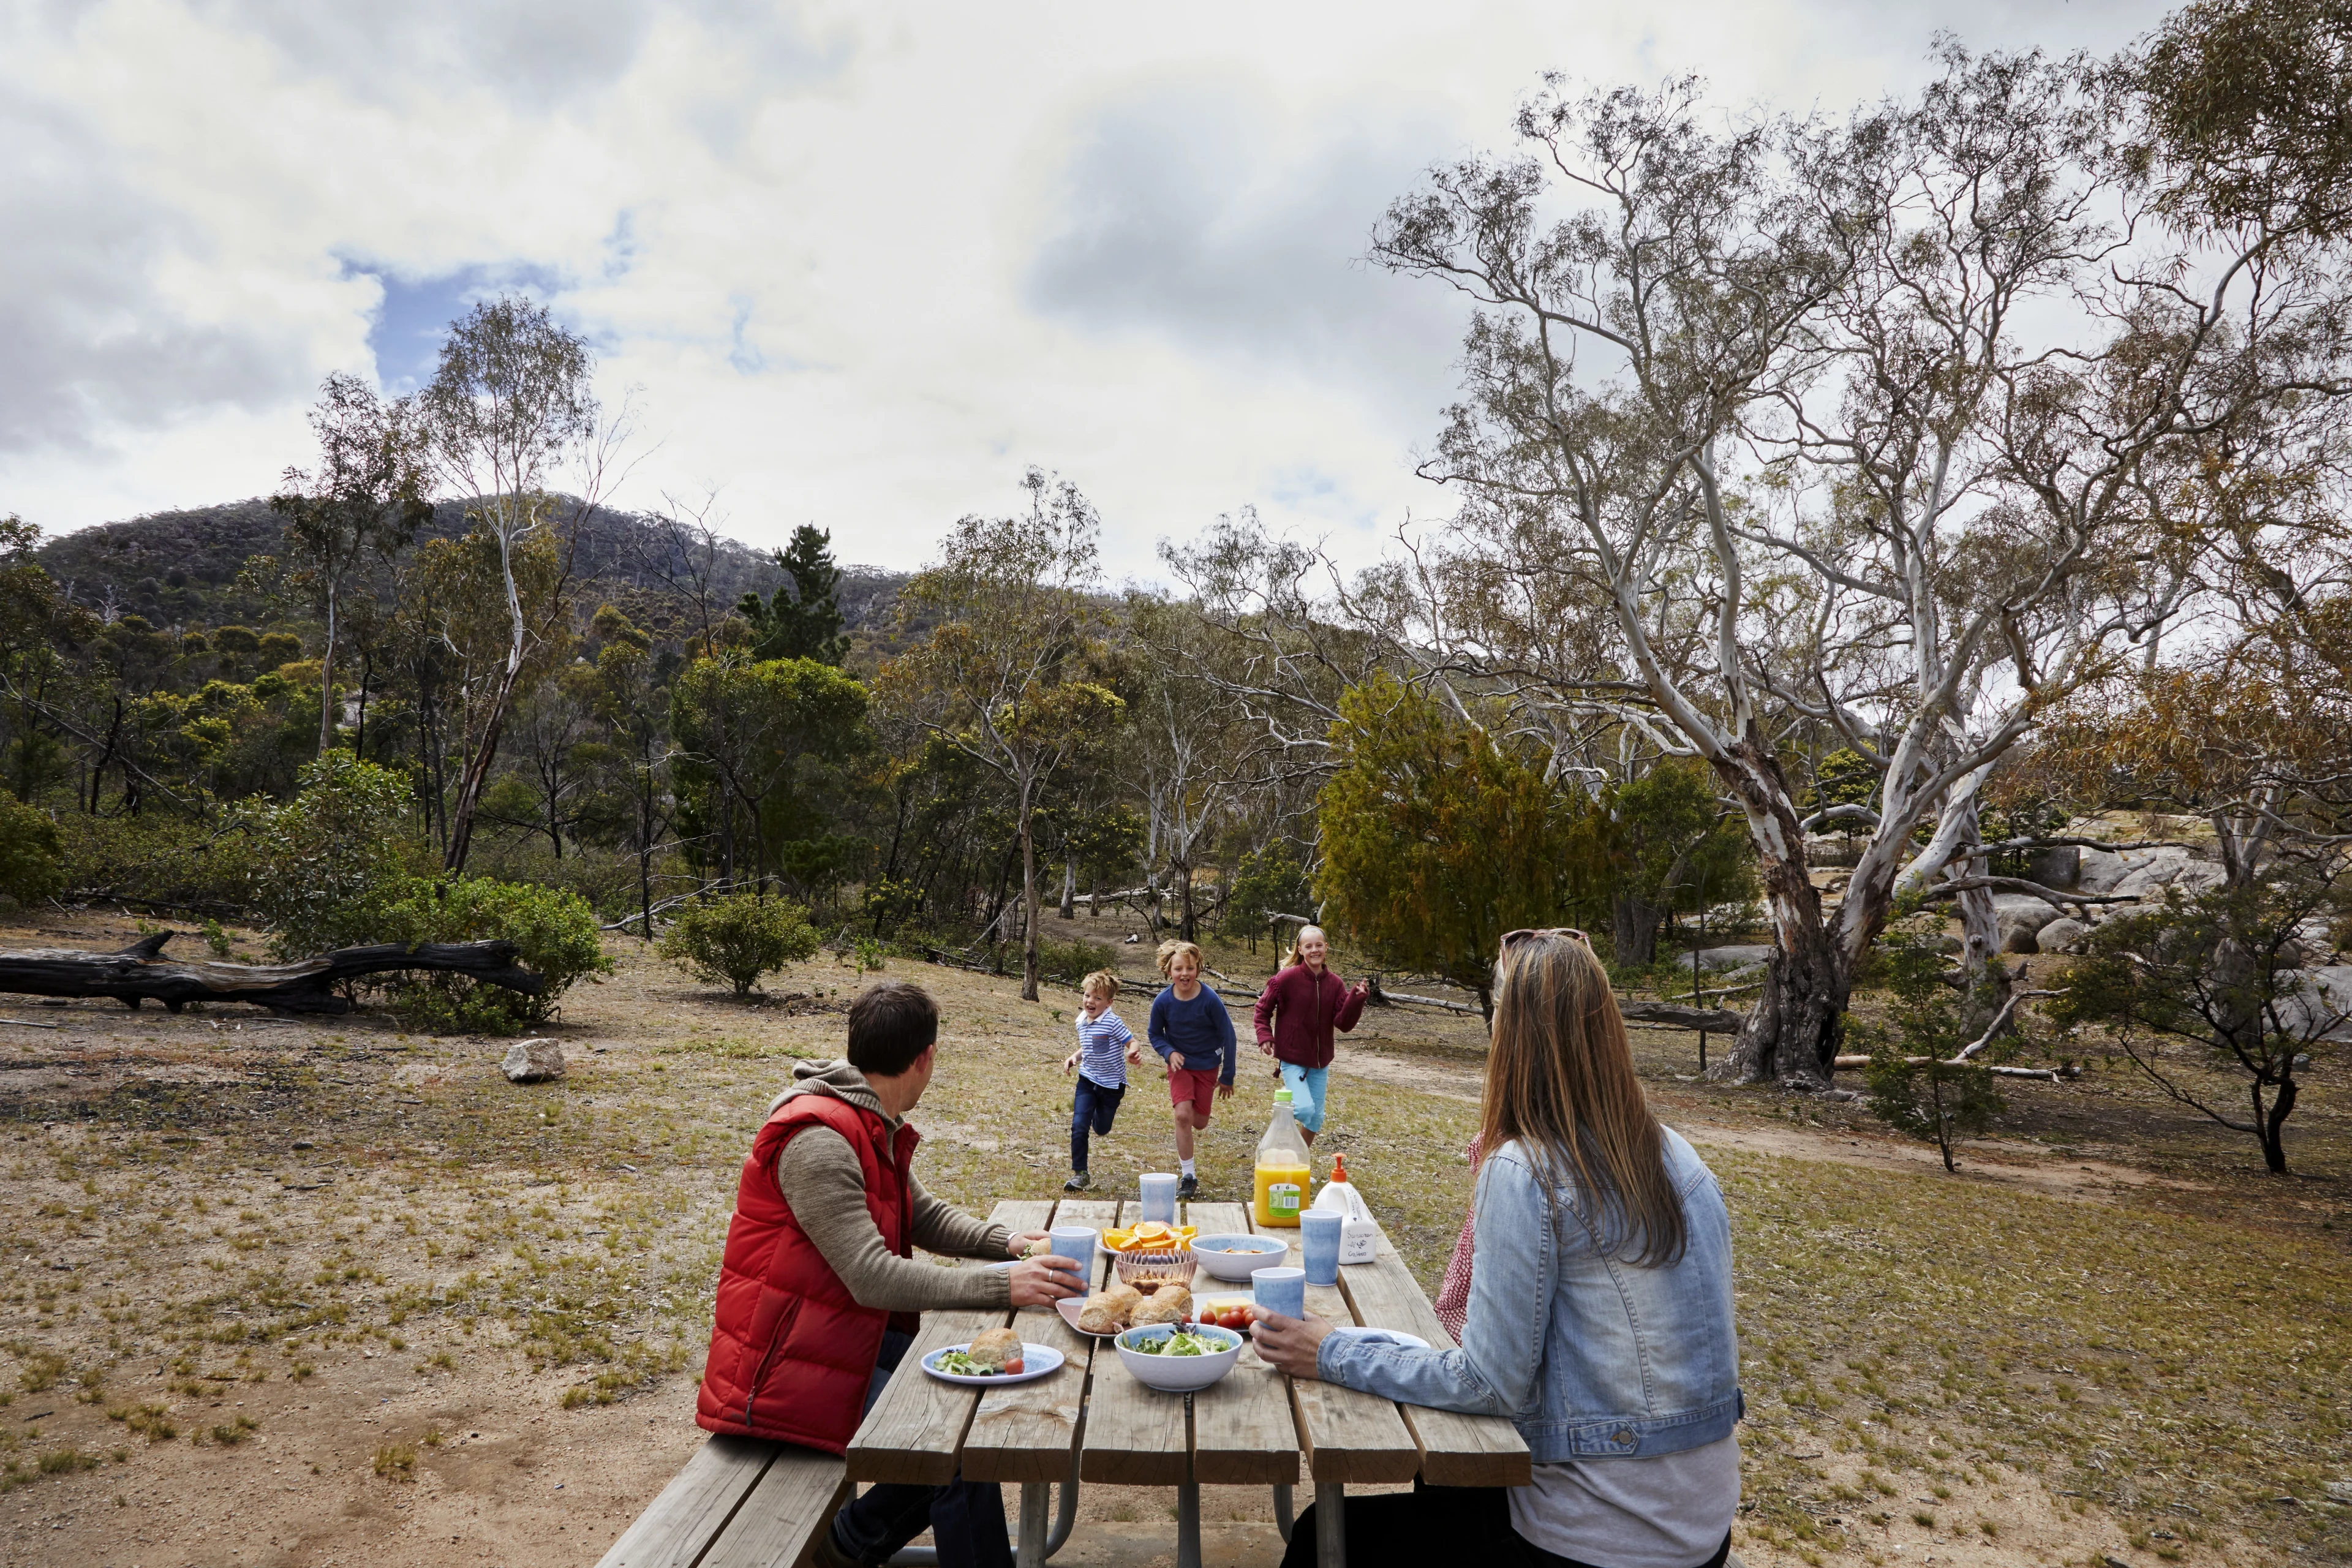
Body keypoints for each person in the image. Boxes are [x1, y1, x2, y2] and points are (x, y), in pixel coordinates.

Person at [1250, 929, 1742, 1568]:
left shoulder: (1526, 1167)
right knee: (1439, 1485)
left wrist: (1332, 1349)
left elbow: (1488, 1385)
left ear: (1509, 1034)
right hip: (1704, 1528)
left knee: (1325, 1537)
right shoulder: (1679, 1153)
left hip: (1599, 1534)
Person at [696, 979, 1087, 1568]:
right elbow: (871, 1276)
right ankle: (855, 1547)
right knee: (955, 1448)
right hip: (781, 1378)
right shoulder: (819, 1140)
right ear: (925, 1057)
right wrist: (1005, 1284)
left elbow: (919, 1212)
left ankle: (848, 1547)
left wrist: (1007, 1242)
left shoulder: (866, 1117)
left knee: (968, 1408)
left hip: (840, 1345)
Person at [1250, 924, 1369, 1145]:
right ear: (1300, 950)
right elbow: (1262, 1010)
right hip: (1293, 1059)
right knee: (1304, 1109)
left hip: (1320, 1063)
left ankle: (1297, 1163)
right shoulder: (1285, 979)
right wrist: (1265, 1036)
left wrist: (1356, 999)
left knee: (1315, 1120)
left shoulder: (1335, 984)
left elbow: (1343, 1023)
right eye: (1309, 946)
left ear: (1326, 948)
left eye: (1319, 945)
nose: (1314, 950)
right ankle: (1286, 1106)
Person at [1147, 938, 1237, 1200]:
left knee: (1200, 1122)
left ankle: (1196, 1109)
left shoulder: (1209, 999)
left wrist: (1228, 1075)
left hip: (1208, 1065)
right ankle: (1189, 1176)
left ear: (1198, 969)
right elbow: (1154, 1034)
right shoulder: (1163, 1001)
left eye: (1190, 968)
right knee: (1183, 1116)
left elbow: (1229, 1036)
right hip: (1180, 1065)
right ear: (1168, 971)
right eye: (1178, 969)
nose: (1184, 974)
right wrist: (1169, 1052)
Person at [1061, 967, 1141, 1192]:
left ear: (1109, 1002)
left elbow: (1132, 1042)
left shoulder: (1112, 1022)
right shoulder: (1081, 1021)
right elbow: (1089, 1048)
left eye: (1098, 998)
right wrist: (1073, 1058)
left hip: (1112, 1087)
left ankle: (1098, 1116)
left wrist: (1133, 1053)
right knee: (1078, 1126)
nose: (1091, 1001)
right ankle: (1080, 1173)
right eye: (1087, 995)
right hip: (1087, 1080)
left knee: (1102, 1128)